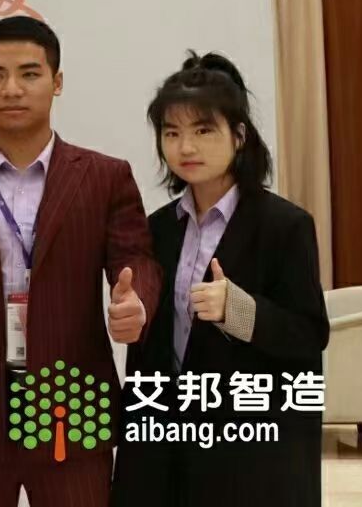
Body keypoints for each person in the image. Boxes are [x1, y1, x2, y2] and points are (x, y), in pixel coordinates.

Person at [0, 16, 161, 507]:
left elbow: (136, 259)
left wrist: (137, 304)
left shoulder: (103, 177)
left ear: (56, 82)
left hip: (75, 405)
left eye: (29, 73)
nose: (12, 89)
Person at [112, 52, 328, 507]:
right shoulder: (157, 228)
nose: (186, 147)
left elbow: (310, 335)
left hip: (246, 452)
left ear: (239, 136)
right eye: (172, 132)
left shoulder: (284, 225)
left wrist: (239, 311)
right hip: (166, 447)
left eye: (203, 130)